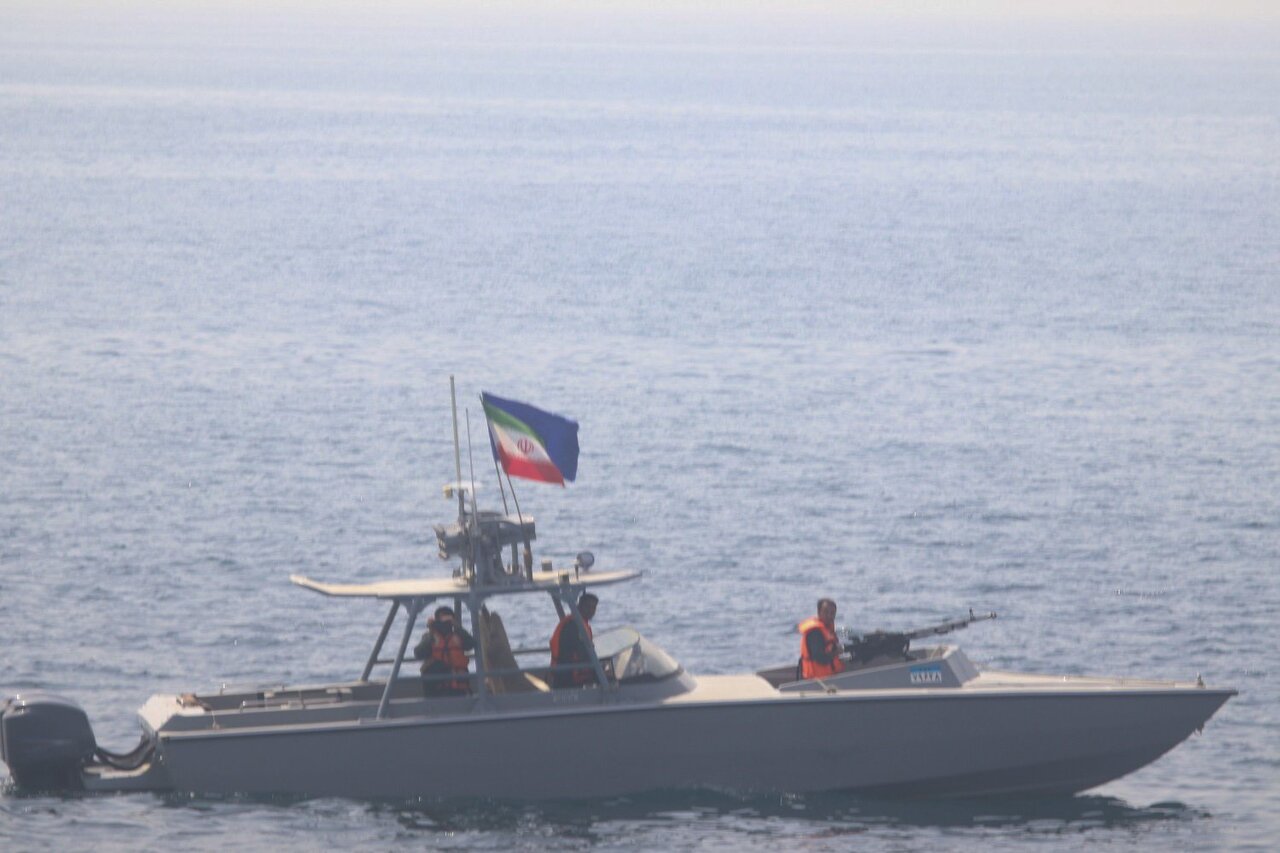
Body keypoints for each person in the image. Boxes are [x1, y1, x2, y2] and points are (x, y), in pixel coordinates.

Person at [413, 606, 475, 696]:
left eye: (449, 619)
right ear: (437, 620)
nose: (446, 622)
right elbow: (418, 654)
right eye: (443, 619)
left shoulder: (458, 636)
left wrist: (458, 627)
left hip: (458, 687)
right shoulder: (430, 637)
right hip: (436, 688)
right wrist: (431, 635)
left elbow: (471, 644)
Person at [549, 593, 598, 688]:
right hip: (566, 676)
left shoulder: (580, 623)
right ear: (579, 606)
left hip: (569, 672)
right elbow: (583, 653)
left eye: (593, 608)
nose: (591, 610)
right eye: (587, 607)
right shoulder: (573, 626)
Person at [798, 598, 846, 681]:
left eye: (832, 613)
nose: (829, 616)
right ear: (819, 612)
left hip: (829, 676)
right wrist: (837, 652)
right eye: (826, 612)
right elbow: (820, 658)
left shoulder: (827, 628)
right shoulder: (815, 633)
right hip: (817, 680)